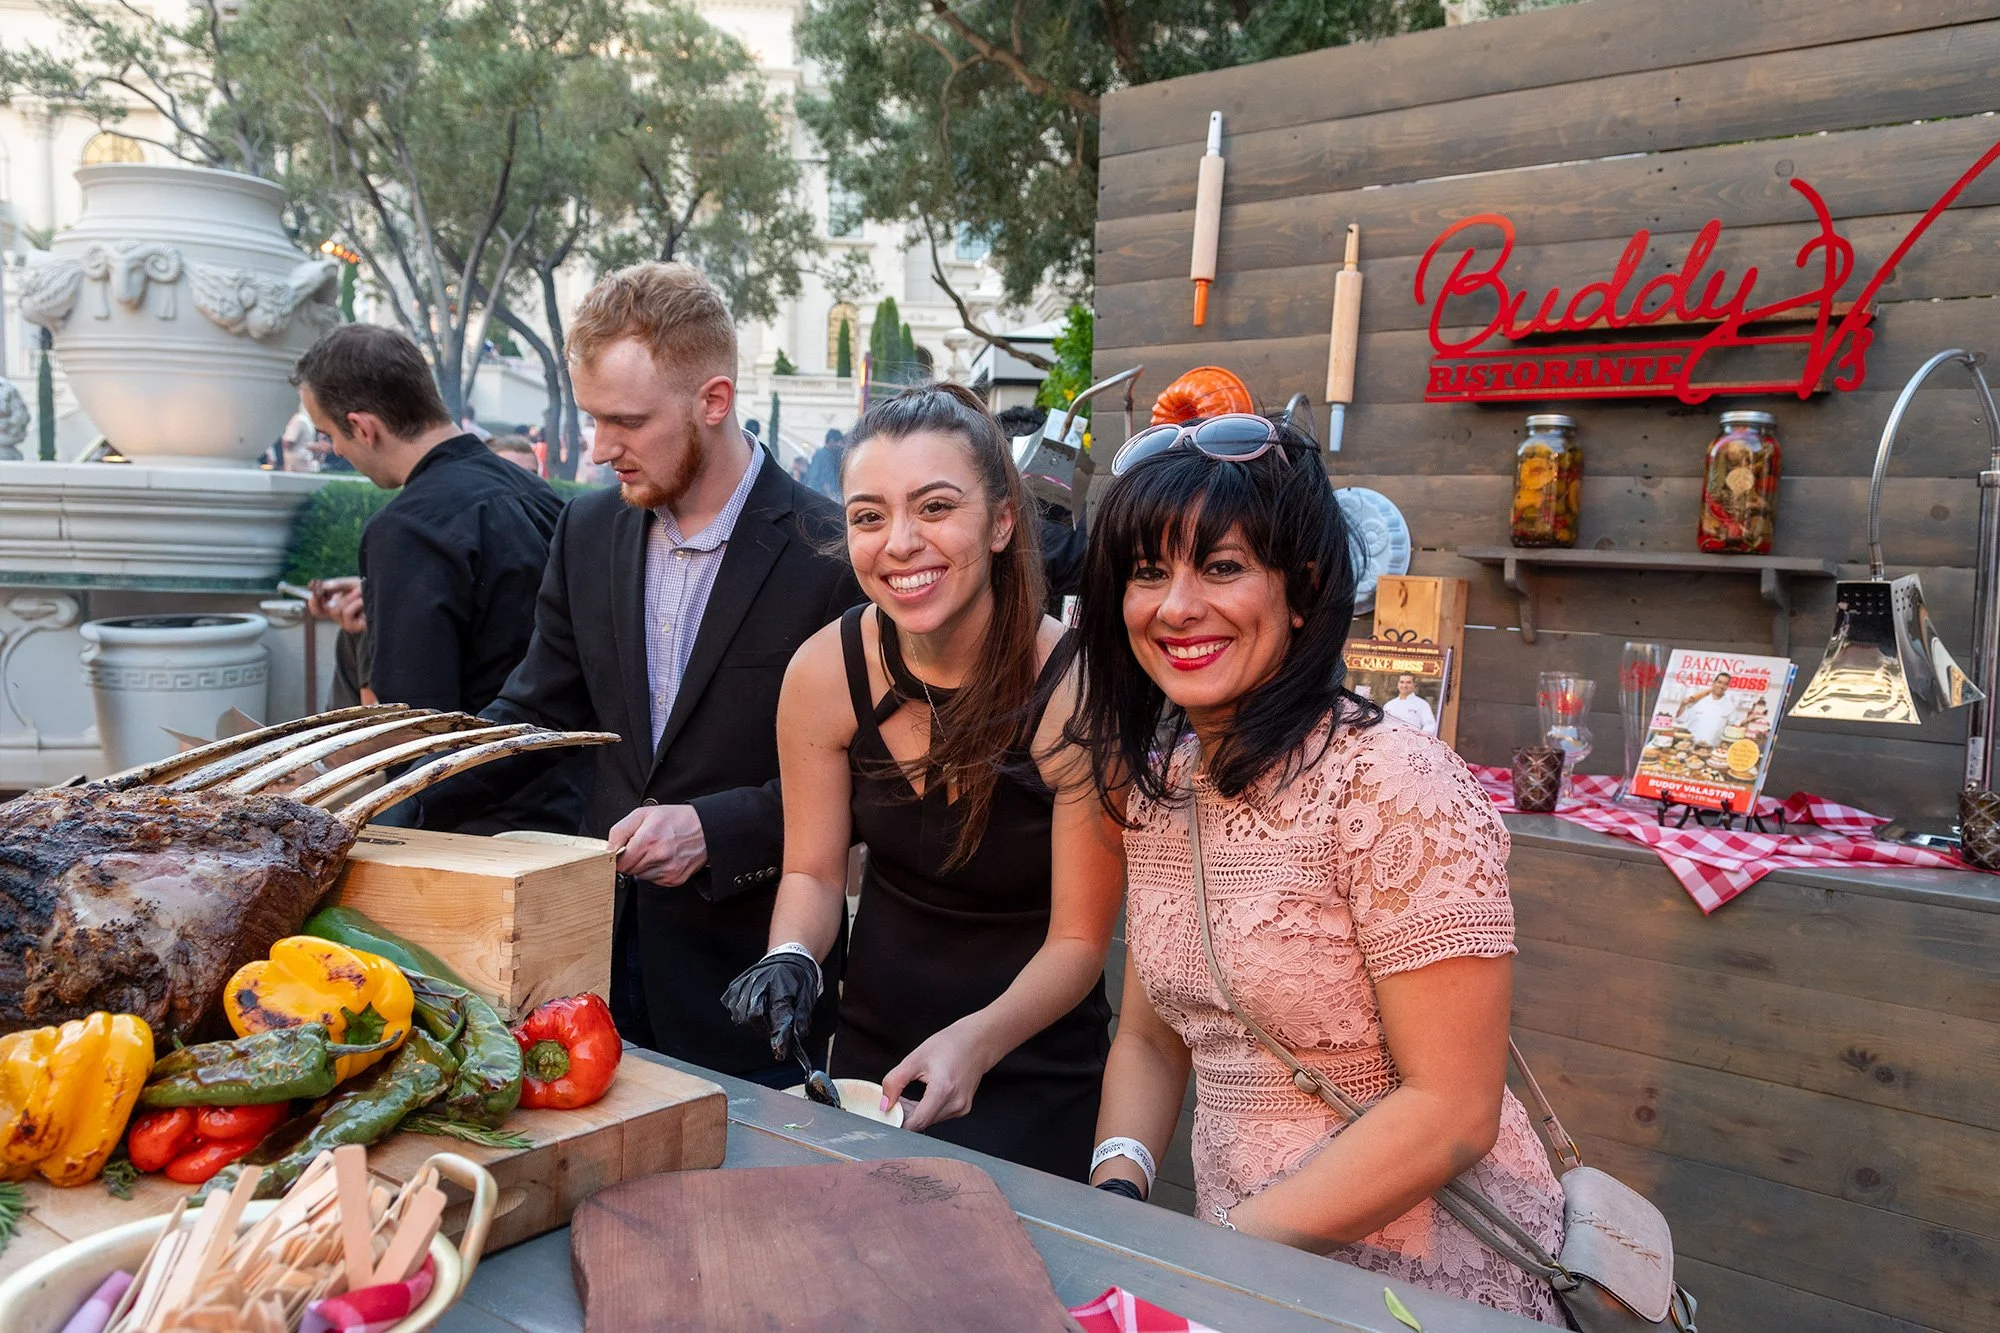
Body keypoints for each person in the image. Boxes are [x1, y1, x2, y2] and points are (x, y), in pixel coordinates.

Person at [1070, 415, 1566, 1324]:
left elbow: (1454, 1109)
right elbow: (1150, 1037)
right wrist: (1119, 1187)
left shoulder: (1393, 783)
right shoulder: (1165, 783)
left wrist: (1224, 1246)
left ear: (1301, 588)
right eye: (1147, 572)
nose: (1176, 606)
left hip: (1413, 1284)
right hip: (1242, 1274)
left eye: (1221, 567)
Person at [401, 262, 859, 1085]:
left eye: (626, 421)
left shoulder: (830, 553)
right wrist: (394, 798)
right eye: (593, 418)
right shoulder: (586, 528)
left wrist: (714, 829)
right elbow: (535, 716)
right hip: (591, 968)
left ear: (713, 400)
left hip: (749, 981)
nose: (599, 447)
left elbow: (874, 780)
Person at [722, 384, 1119, 1177]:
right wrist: (791, 954)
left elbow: (1080, 943)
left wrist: (975, 1042)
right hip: (871, 1062)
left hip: (1033, 1069)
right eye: (869, 516)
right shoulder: (823, 672)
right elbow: (812, 871)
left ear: (1002, 521)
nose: (900, 542)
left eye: (935, 507)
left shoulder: (1076, 690)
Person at [293, 324, 575, 835]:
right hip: (577, 799)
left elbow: (412, 729)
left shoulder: (406, 529)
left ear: (363, 427)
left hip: (476, 826)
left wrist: (311, 762)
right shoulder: (541, 496)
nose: (336, 449)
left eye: (329, 434)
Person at [1675, 672, 1736, 746]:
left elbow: (1734, 726)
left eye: (1725, 684)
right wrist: (1682, 705)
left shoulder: (1729, 706)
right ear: (1713, 683)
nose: (1721, 686)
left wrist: (1747, 721)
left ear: (1727, 687)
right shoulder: (1698, 699)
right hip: (1690, 746)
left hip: (1712, 748)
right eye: (1719, 682)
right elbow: (1680, 719)